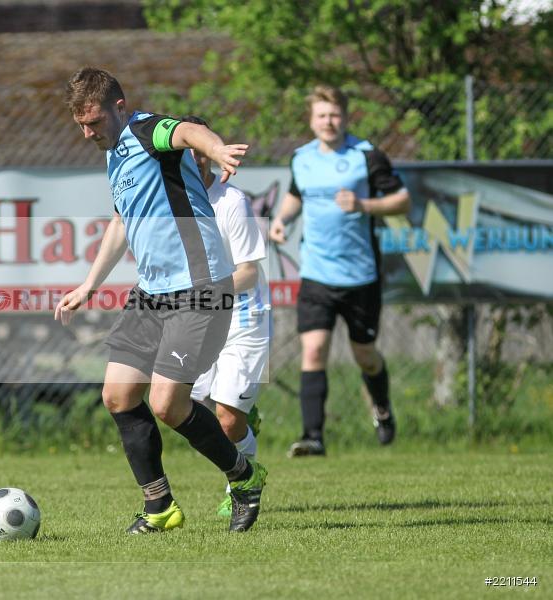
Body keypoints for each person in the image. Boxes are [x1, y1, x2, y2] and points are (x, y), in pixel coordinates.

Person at [55, 67, 263, 533]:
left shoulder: (149, 131)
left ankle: (244, 476)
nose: (89, 133)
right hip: (152, 294)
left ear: (120, 107)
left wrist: (217, 149)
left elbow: (189, 131)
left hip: (199, 287)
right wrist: (89, 285)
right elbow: (120, 222)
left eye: (95, 122)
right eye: (81, 125)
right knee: (117, 394)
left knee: (169, 404)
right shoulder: (113, 155)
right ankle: (160, 506)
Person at [269, 85, 411, 457]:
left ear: (345, 117)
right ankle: (313, 437)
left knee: (365, 354)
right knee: (313, 350)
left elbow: (402, 200)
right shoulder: (301, 158)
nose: (328, 122)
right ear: (311, 120)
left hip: (361, 274)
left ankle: (381, 406)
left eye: (334, 115)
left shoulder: (367, 156)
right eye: (321, 115)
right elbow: (297, 195)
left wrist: (363, 204)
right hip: (316, 273)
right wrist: (282, 219)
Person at [183, 115, 270, 518]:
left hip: (243, 320)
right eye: (186, 153)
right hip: (203, 322)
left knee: (225, 419)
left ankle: (243, 479)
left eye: (201, 153)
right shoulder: (176, 203)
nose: (194, 160)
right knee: (189, 408)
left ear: (211, 156)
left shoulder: (232, 201)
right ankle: (242, 424)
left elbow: (249, 272)